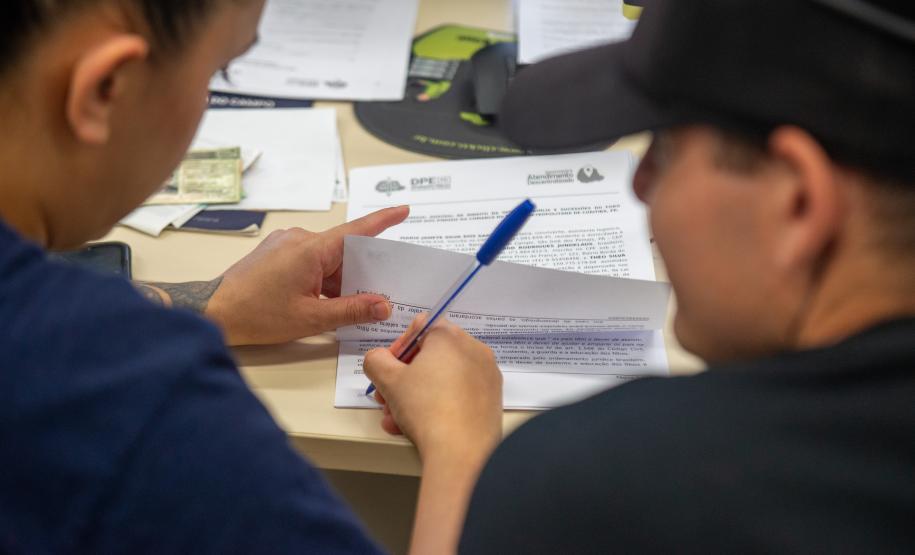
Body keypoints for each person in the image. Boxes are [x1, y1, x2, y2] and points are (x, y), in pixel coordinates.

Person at [364, 0, 915, 552]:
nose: (638, 183)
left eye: (667, 149)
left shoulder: (612, 483)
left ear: (797, 204)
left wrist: (460, 451)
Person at [0, 0, 468, 552]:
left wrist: (212, 303)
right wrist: (458, 441)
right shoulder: (138, 402)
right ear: (107, 89)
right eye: (216, 72)